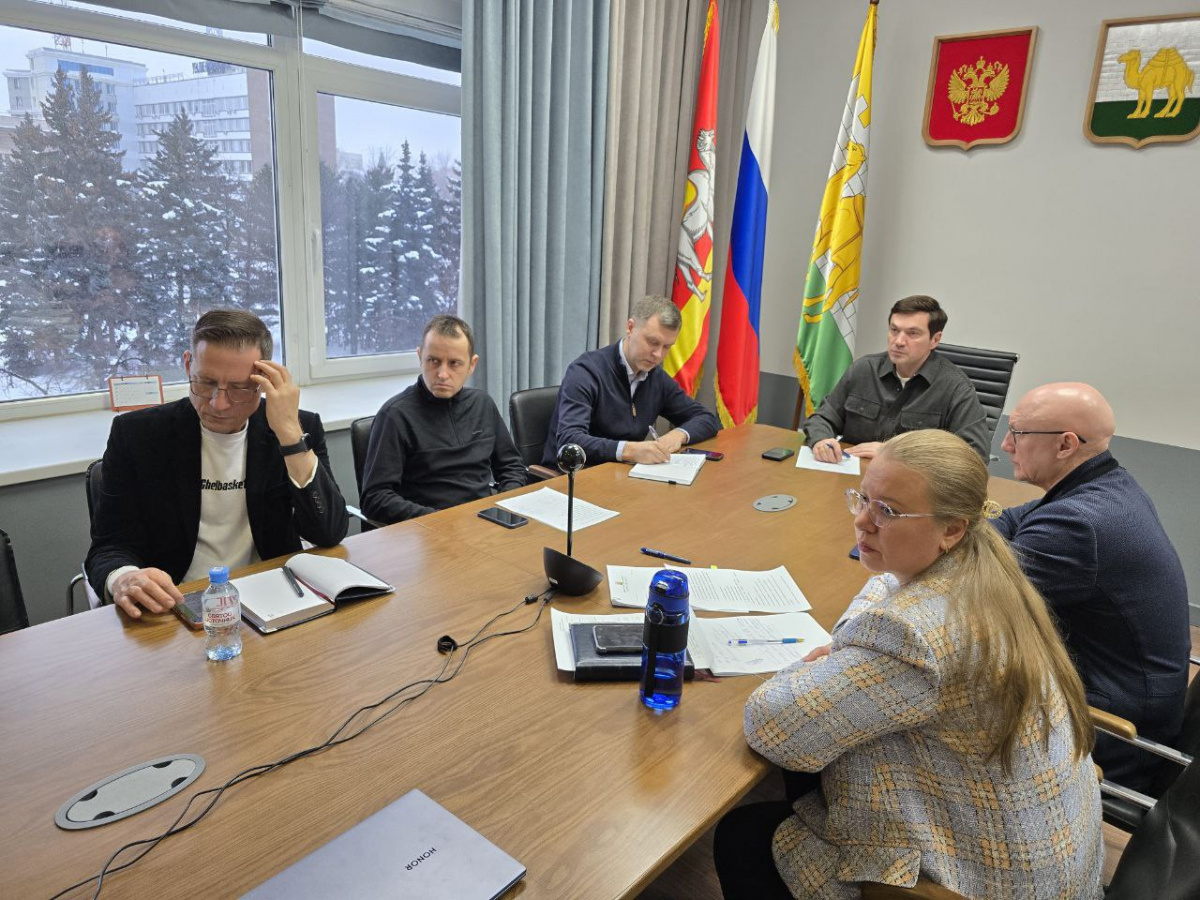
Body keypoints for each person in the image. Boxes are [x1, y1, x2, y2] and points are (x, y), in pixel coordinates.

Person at [714, 430, 1102, 900]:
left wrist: (814, 664)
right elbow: (890, 592)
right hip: (1048, 854)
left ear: (951, 529)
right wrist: (849, 643)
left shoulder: (914, 633)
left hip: (984, 879)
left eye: (888, 511)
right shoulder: (983, 570)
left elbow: (771, 726)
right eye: (863, 499)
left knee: (743, 834)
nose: (862, 522)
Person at [85, 309, 349, 619]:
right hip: (176, 602)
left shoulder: (297, 428)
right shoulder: (137, 435)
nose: (218, 403)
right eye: (205, 382)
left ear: (263, 382)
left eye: (239, 388)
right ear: (188, 365)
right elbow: (109, 545)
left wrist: (290, 436)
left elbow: (328, 532)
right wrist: (124, 578)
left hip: (271, 594)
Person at [994, 382, 1190, 793]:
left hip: (1110, 732)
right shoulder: (1103, 484)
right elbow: (1010, 521)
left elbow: (973, 595)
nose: (1007, 445)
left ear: (1065, 445)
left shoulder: (1078, 524)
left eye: (1018, 433)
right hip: (1127, 692)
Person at [360, 315, 527, 524]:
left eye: (454, 363)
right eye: (434, 361)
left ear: (472, 364)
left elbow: (511, 467)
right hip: (427, 529)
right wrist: (440, 520)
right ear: (420, 357)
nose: (442, 374)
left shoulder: (482, 404)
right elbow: (375, 498)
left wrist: (502, 507)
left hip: (484, 523)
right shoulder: (395, 415)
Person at [540, 295, 719, 467]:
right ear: (630, 327)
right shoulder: (586, 372)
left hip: (622, 474)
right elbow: (570, 440)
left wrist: (677, 435)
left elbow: (705, 418)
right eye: (653, 342)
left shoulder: (656, 377)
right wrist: (629, 450)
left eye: (666, 347)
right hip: (575, 476)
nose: (658, 355)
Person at [805, 295, 989, 462]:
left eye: (912, 333)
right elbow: (823, 418)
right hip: (850, 474)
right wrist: (821, 440)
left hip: (911, 482)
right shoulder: (864, 369)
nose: (899, 341)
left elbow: (975, 455)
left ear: (935, 340)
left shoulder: (956, 387)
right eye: (894, 330)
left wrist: (897, 453)